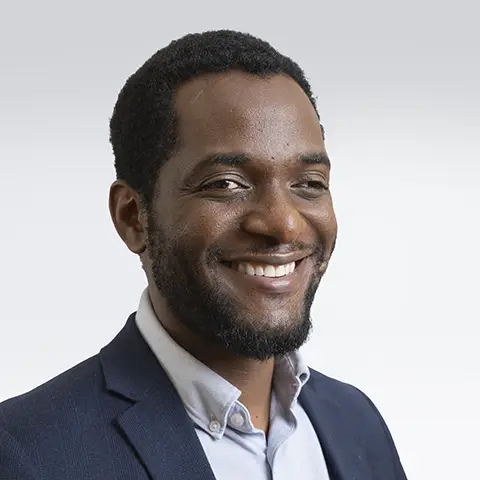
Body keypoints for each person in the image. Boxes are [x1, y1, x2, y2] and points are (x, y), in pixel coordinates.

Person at [0, 30, 407, 479]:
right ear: (133, 217)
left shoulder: (357, 425)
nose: (284, 224)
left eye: (309, 183)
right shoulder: (27, 453)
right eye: (226, 183)